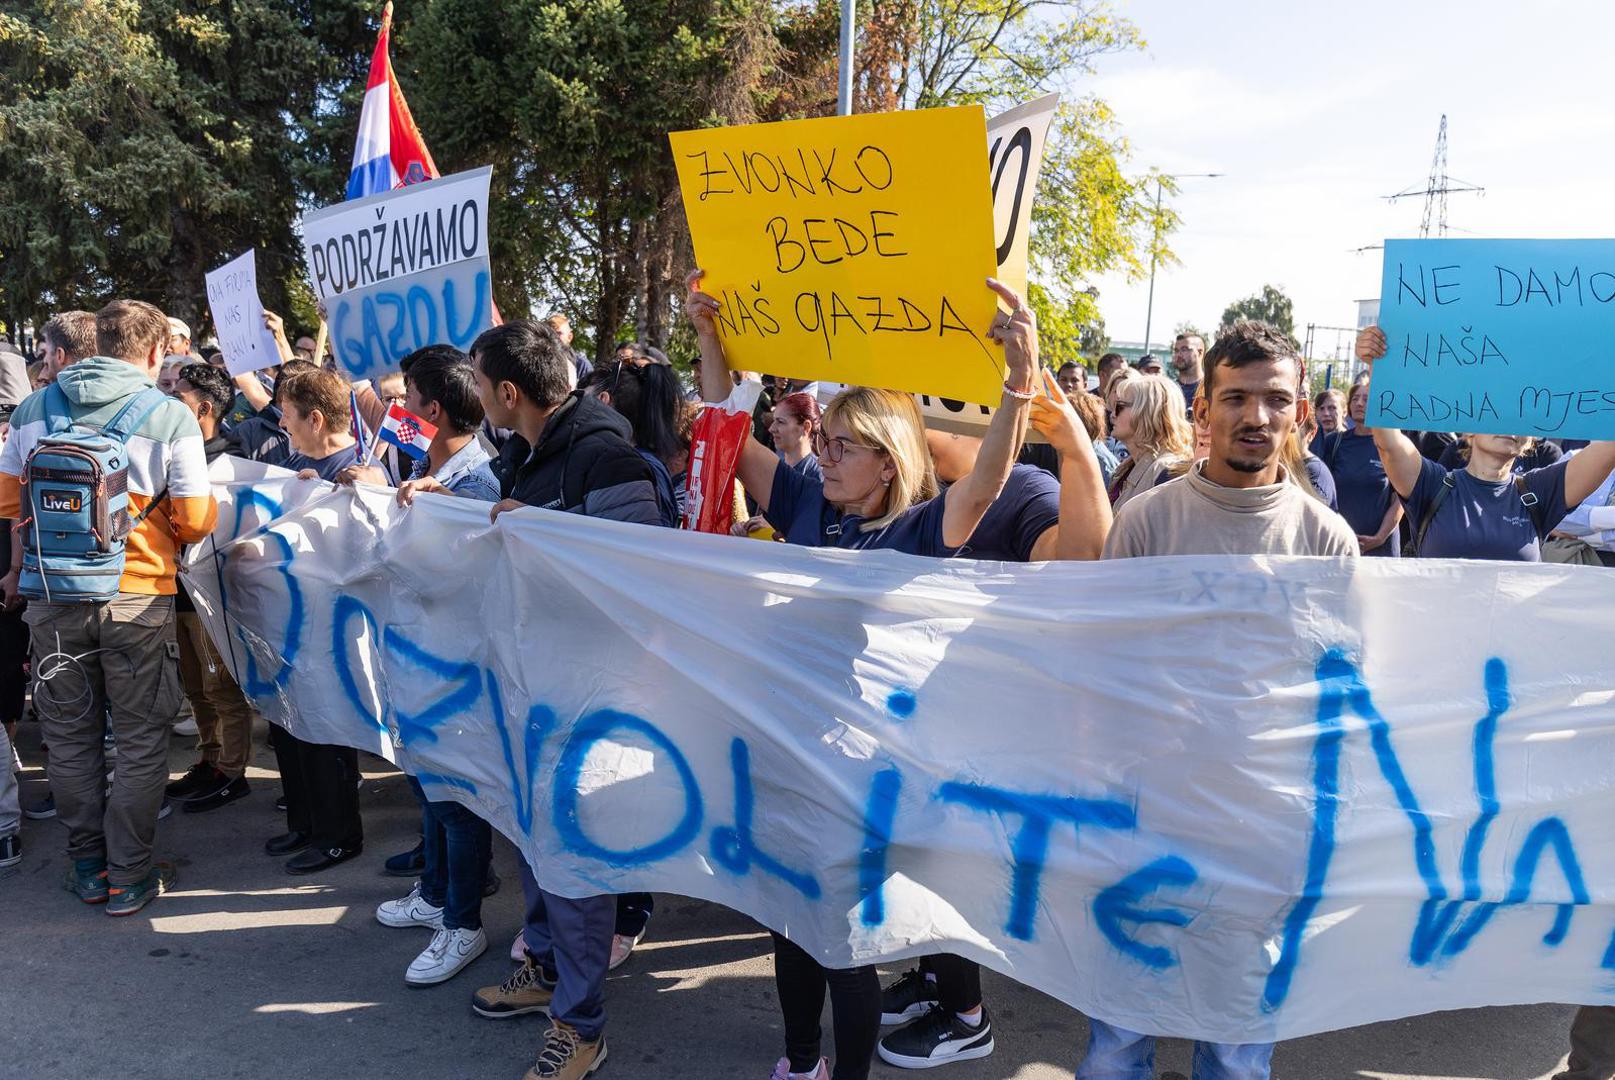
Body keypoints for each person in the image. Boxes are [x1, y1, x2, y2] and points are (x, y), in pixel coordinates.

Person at [689, 268, 1106, 1080]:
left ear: (887, 463)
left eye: (842, 447)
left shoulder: (922, 532)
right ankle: (800, 1061)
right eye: (825, 443)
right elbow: (729, 439)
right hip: (793, 763)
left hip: (868, 784)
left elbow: (987, 477)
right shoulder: (812, 507)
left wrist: (1019, 385)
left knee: (843, 943)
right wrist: (711, 342)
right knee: (786, 925)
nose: (821, 455)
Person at [1086, 319, 1355, 1080]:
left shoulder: (1325, 539)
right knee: (1115, 1042)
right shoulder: (1144, 522)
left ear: (1300, 413)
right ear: (1202, 411)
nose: (1255, 416)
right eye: (1234, 398)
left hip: (1263, 830)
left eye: (1275, 399)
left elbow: (1334, 690)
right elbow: (1104, 670)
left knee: (1237, 1049)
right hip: (1145, 816)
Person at [466, 319, 660, 1080]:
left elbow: (641, 560)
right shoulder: (528, 448)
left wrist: (548, 529)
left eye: (480, 385)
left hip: (591, 693)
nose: (477, 397)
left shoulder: (601, 452)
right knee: (535, 838)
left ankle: (579, 1026)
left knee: (576, 861)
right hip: (540, 684)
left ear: (508, 393)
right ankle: (544, 965)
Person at [0, 299, 218, 916]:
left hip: (52, 597)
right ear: (154, 353)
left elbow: (7, 502)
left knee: (68, 737)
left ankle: (88, 865)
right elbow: (197, 520)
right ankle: (130, 873)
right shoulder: (169, 415)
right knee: (142, 736)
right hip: (138, 599)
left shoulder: (33, 408)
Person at [339, 346, 503, 986]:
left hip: (456, 672)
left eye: (407, 398)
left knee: (459, 801)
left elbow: (458, 582)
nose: (397, 409)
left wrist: (395, 506)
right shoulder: (427, 461)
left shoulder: (474, 483)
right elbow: (374, 415)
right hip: (419, 663)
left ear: (432, 411)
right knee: (429, 790)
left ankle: (463, 923)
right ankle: (435, 894)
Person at [1355, 327, 1615, 561]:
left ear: (1530, 441)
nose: (1508, 423)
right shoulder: (1432, 485)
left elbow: (1608, 449)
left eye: (1521, 415)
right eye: (1495, 410)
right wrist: (1379, 366)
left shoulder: (1541, 492)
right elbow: (1388, 444)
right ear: (1469, 430)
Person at [266, 369, 365, 874]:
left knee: (325, 728)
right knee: (288, 723)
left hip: (333, 625)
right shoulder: (296, 463)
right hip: (289, 618)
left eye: (287, 414)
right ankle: (304, 822)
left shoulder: (362, 468)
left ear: (317, 418)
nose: (281, 424)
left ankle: (337, 834)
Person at [162, 363, 254, 814]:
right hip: (175, 589)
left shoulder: (230, 460)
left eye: (177, 396)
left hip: (213, 596)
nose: (167, 402)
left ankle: (233, 772)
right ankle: (209, 757)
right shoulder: (174, 452)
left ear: (205, 408)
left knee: (221, 686)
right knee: (195, 686)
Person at [1316, 376, 1401, 556]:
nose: (1359, 403)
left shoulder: (1393, 446)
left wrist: (1380, 537)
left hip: (1381, 548)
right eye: (1355, 399)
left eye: (1366, 399)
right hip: (1341, 544)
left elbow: (1400, 499)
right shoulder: (1334, 442)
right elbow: (1323, 492)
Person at [1104, 371, 1194, 509]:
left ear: (1146, 412)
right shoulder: (1129, 466)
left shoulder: (1168, 473)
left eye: (1120, 406)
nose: (1113, 414)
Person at [37, 311, 96, 383]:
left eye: (46, 353)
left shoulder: (44, 394)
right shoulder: (112, 389)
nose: (45, 360)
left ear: (60, 355)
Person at [545, 313, 595, 385]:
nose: (554, 337)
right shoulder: (538, 363)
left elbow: (589, 394)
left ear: (569, 337)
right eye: (550, 333)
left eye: (559, 333)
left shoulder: (581, 365)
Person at [1171, 332, 1205, 409]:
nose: (1179, 355)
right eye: (1176, 350)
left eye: (1184, 349)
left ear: (1199, 352)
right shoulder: (1169, 389)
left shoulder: (1210, 388)